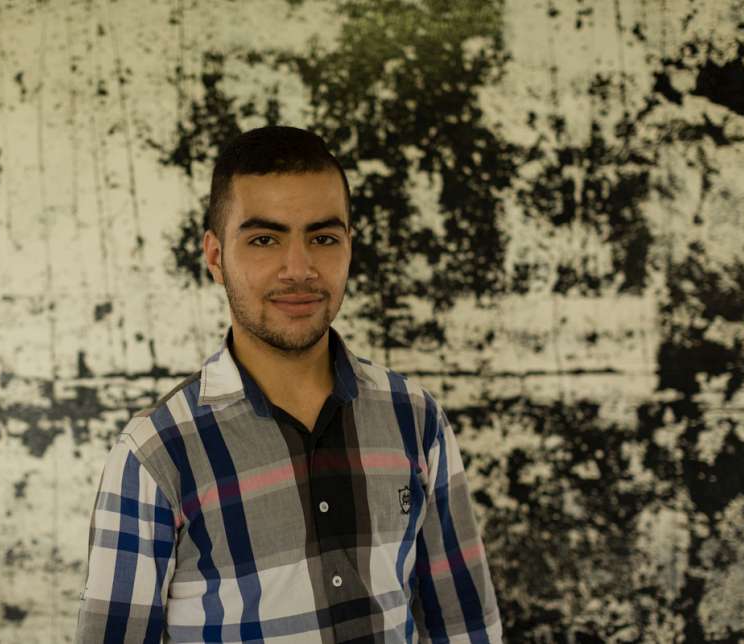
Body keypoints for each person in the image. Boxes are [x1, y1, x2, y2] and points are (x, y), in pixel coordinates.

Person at [75, 126, 502, 642]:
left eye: (323, 238)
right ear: (215, 257)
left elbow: (464, 625)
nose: (298, 269)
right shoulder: (157, 453)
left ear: (349, 246)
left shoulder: (413, 414)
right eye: (264, 239)